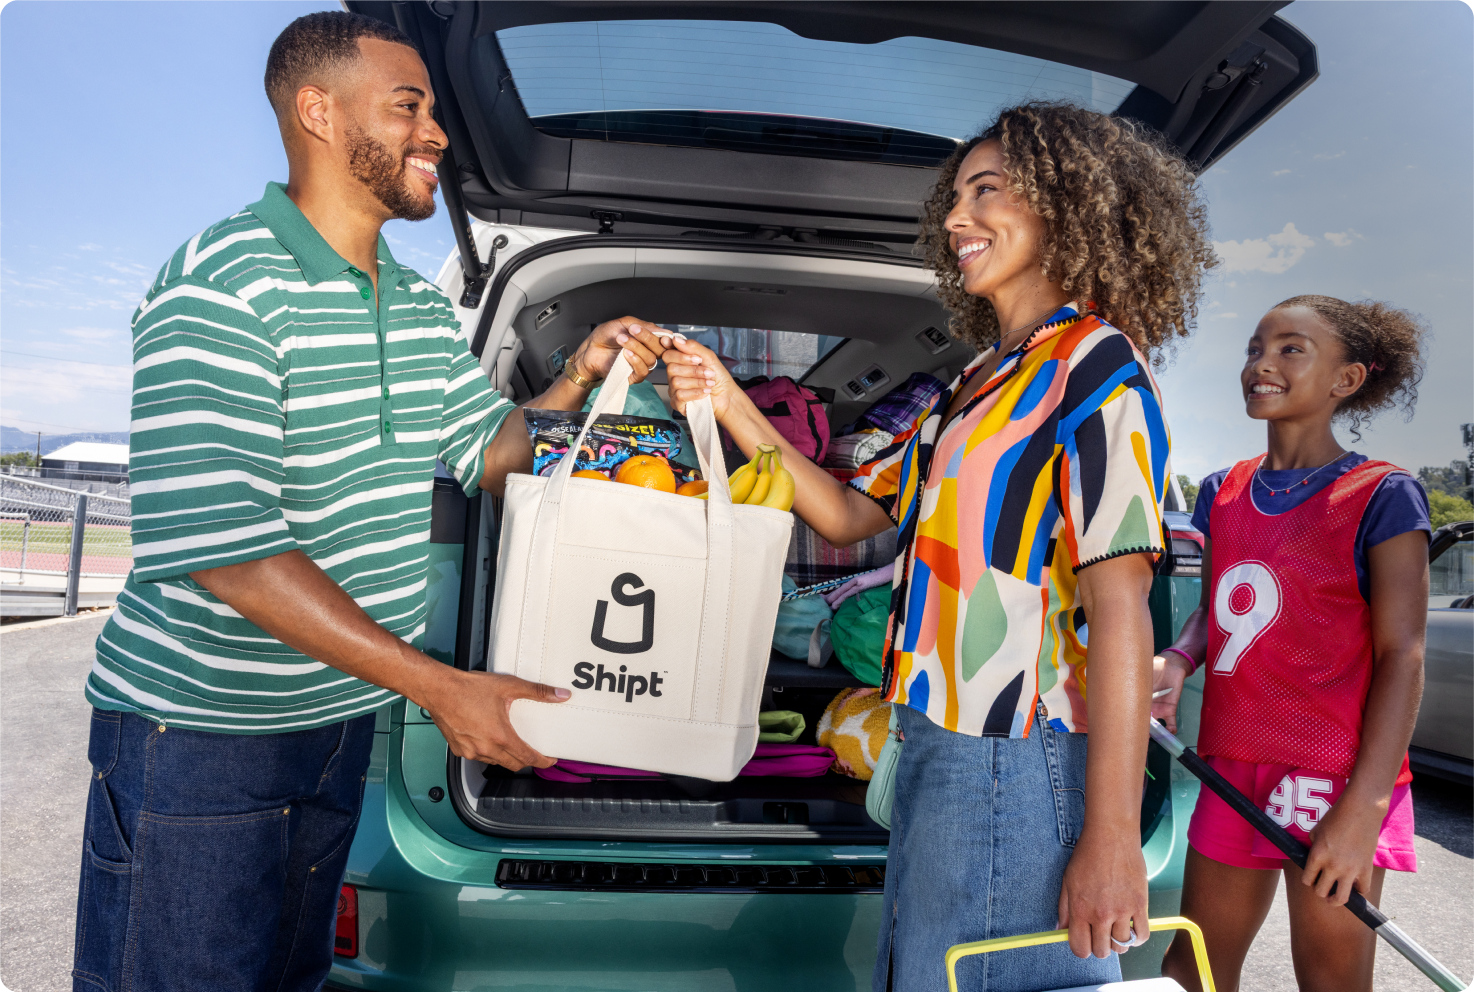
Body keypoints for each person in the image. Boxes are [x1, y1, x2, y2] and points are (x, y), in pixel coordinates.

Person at [71, 13, 671, 992]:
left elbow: (493, 454)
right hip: (203, 741)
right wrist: (442, 688)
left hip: (334, 723)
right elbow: (228, 555)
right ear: (317, 112)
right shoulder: (222, 285)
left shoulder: (413, 305)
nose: (435, 131)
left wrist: (581, 372)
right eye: (408, 105)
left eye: (432, 108)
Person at [666, 102, 1216, 991]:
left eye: (988, 191)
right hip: (934, 736)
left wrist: (1112, 835)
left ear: (1066, 204)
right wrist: (728, 398)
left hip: (1015, 748)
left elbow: (1121, 609)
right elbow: (848, 513)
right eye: (955, 196)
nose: (957, 218)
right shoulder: (976, 379)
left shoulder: (1096, 364)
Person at [1155, 297, 1430, 992]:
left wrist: (1364, 808)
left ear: (1347, 379)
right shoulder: (1222, 490)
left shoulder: (1384, 494)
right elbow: (1218, 611)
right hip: (1232, 764)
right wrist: (1178, 658)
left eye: (1290, 348)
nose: (1261, 364)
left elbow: (1404, 654)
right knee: (1191, 970)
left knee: (1332, 980)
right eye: (1255, 347)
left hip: (1336, 776)